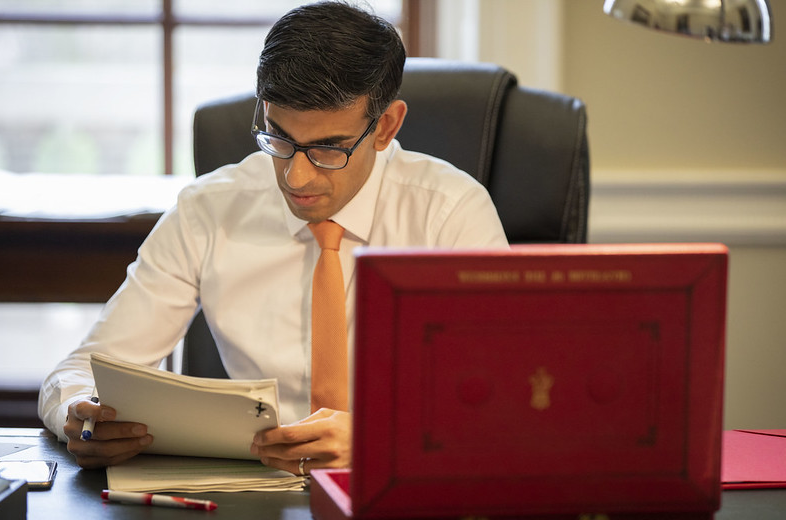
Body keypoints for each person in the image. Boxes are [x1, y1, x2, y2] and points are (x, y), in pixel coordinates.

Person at [38, 1, 508, 476]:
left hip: (409, 482)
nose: (297, 177)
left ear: (385, 127)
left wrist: (381, 441)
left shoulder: (451, 213)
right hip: (254, 491)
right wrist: (81, 415)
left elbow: (504, 394)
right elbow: (80, 373)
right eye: (279, 139)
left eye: (328, 148)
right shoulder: (209, 210)